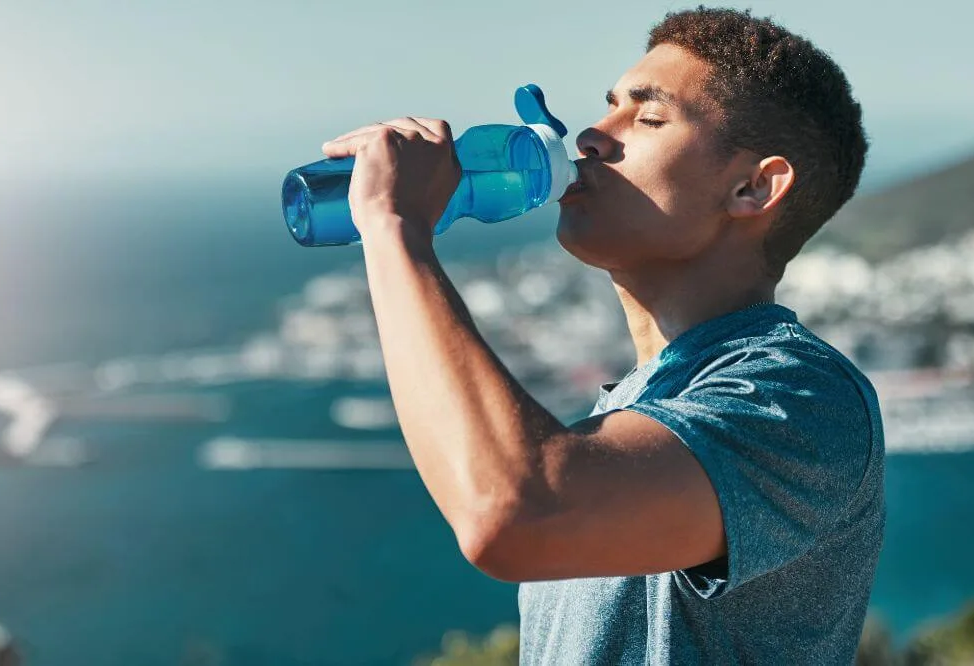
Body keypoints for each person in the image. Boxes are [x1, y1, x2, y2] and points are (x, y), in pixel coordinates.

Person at [319, 6, 884, 664]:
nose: (590, 135)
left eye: (646, 118)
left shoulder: (801, 400)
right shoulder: (628, 412)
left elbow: (511, 512)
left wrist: (393, 228)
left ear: (752, 187)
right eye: (607, 107)